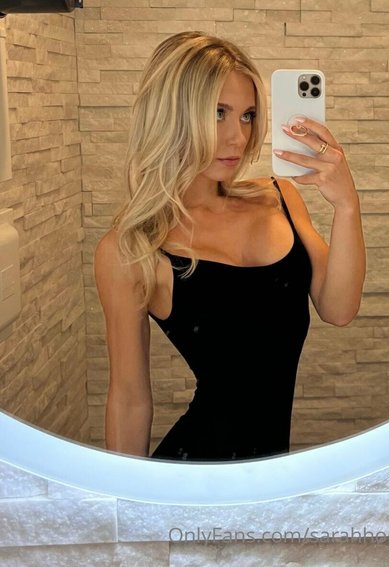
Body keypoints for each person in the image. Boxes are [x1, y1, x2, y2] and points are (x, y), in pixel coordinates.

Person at [94, 31, 366, 462]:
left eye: (247, 115)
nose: (238, 137)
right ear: (173, 114)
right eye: (218, 113)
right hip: (193, 473)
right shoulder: (133, 248)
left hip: (267, 476)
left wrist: (347, 206)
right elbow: (129, 399)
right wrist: (123, 499)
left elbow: (339, 308)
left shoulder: (279, 197)